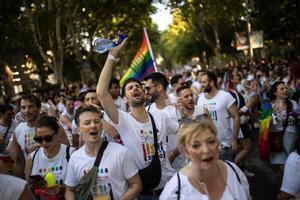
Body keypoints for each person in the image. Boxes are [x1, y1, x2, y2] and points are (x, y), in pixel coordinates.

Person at [97, 37, 178, 199]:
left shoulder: (160, 116)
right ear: (125, 99)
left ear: (143, 93)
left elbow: (182, 131)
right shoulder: (123, 120)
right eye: (130, 88)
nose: (135, 88)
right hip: (145, 193)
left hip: (170, 186)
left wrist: (189, 114)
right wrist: (111, 56)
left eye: (138, 86)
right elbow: (101, 93)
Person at [160, 114, 251, 200]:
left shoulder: (234, 171)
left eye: (211, 141)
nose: (206, 150)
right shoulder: (175, 191)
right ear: (185, 151)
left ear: (217, 142)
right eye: (196, 145)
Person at [64, 105, 142, 200]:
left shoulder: (121, 152)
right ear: (78, 131)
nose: (93, 125)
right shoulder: (75, 158)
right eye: (87, 123)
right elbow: (70, 190)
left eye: (97, 121)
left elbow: (136, 184)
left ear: (102, 126)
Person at [25, 116, 75, 198]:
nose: (44, 143)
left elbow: (82, 186)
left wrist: (65, 189)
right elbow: (29, 187)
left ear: (57, 133)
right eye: (39, 139)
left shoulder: (72, 154)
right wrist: (34, 186)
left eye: (48, 138)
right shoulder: (31, 158)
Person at [196, 72, 240, 161]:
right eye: (200, 82)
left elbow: (236, 117)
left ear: (211, 82)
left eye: (203, 82)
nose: (201, 85)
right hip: (208, 146)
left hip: (225, 145)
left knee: (227, 173)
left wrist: (234, 139)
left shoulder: (225, 96)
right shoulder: (200, 98)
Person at [260, 81, 298, 184]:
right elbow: (263, 124)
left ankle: (281, 190)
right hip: (276, 141)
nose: (285, 90)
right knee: (285, 168)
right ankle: (286, 192)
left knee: (287, 169)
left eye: (286, 88)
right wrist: (272, 118)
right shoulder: (268, 106)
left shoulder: (293, 104)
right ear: (275, 93)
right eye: (282, 89)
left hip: (292, 140)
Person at [0, 104, 17, 173]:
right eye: (9, 114)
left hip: (14, 157)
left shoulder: (16, 124)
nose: (12, 116)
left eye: (13, 113)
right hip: (1, 157)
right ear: (1, 114)